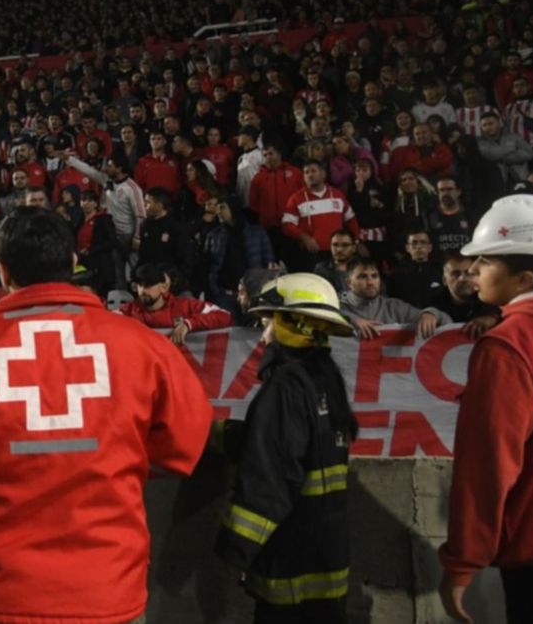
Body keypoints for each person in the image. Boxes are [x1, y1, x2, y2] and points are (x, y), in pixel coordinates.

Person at [0, 207, 212, 623]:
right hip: (108, 589)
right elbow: (186, 442)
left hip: (5, 594)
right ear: (72, 263)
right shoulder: (141, 347)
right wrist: (120, 457)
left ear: (2, 272)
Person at [439, 195, 533, 624]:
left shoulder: (510, 347)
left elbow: (488, 465)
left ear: (524, 279)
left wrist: (462, 562)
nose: (471, 271)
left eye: (486, 261)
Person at [216, 273, 358, 623]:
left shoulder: (285, 386)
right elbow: (300, 446)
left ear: (293, 325)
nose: (263, 335)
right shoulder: (325, 381)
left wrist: (239, 550)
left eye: (268, 323)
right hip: (326, 555)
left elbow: (269, 476)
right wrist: (226, 435)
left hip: (289, 559)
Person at [121, 262, 234, 344]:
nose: (143, 290)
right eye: (140, 285)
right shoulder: (128, 310)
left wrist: (189, 324)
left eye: (148, 285)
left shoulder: (184, 306)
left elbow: (224, 316)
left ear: (164, 287)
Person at [339, 260, 442, 339]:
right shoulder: (337, 306)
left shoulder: (394, 307)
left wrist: (431, 314)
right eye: (362, 277)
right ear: (348, 283)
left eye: (374, 276)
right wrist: (351, 320)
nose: (370, 282)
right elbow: (325, 315)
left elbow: (448, 325)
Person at [416, 254, 500, 339]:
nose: (462, 279)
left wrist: (493, 318)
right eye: (455, 274)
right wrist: (427, 314)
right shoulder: (432, 302)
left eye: (468, 273)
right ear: (444, 280)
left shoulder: (492, 301)